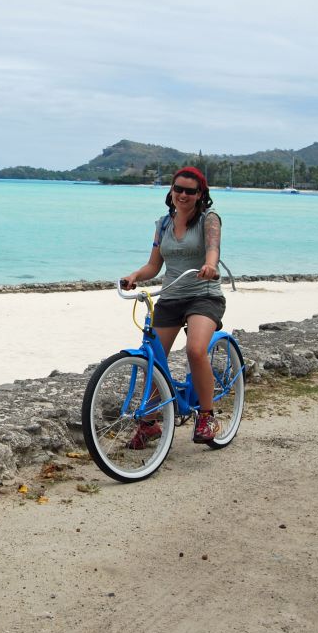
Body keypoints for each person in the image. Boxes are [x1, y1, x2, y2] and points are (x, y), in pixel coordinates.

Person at [120, 166, 225, 446]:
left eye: (190, 191)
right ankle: (149, 424)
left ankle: (207, 416)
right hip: (171, 296)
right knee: (153, 358)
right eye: (178, 189)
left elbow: (213, 249)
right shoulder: (163, 224)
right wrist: (134, 276)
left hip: (204, 295)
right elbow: (154, 266)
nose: (183, 195)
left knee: (195, 349)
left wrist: (210, 266)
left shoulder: (209, 220)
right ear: (171, 190)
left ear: (200, 194)